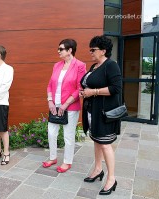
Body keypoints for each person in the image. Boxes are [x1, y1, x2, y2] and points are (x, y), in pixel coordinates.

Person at [80, 35, 122, 195]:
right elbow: (88, 85)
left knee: (105, 144)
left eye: (93, 49)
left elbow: (116, 88)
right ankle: (98, 169)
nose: (90, 52)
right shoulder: (95, 66)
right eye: (90, 49)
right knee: (97, 141)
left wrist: (94, 92)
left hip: (104, 113)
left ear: (103, 51)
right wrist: (85, 92)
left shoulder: (111, 65)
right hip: (92, 111)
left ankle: (111, 178)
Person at [43, 39, 86, 172]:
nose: (58, 51)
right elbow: (50, 85)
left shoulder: (80, 65)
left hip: (70, 107)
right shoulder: (57, 65)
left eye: (61, 49)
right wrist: (50, 101)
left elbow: (80, 88)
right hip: (54, 105)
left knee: (68, 135)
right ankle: (53, 157)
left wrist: (65, 104)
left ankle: (67, 161)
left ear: (70, 50)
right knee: (51, 132)